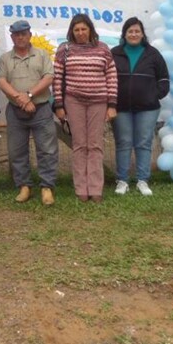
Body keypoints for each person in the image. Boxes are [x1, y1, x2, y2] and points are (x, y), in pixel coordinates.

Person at [53, 14, 118, 203]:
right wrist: (59, 105)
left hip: (99, 101)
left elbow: (112, 77)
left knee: (95, 145)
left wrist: (112, 105)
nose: (80, 33)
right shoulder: (64, 49)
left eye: (84, 29)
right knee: (80, 146)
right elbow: (57, 79)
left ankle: (96, 188)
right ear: (71, 32)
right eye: (76, 29)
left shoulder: (103, 49)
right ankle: (81, 188)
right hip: (74, 101)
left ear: (90, 29)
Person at [0, 20, 59, 206]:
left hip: (41, 108)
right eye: (16, 34)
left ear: (30, 35)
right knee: (17, 151)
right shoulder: (5, 58)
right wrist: (21, 99)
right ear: (12, 37)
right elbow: (2, 81)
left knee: (47, 150)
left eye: (23, 33)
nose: (20, 37)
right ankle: (24, 186)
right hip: (16, 110)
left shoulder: (42, 55)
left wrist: (30, 95)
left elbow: (49, 77)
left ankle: (46, 187)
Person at [111, 17, 170, 197]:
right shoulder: (114, 53)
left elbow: (164, 79)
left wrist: (154, 95)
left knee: (144, 143)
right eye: (130, 31)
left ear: (143, 34)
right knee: (123, 143)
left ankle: (142, 180)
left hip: (148, 108)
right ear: (124, 34)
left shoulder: (153, 54)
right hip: (120, 107)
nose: (134, 34)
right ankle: (122, 181)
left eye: (137, 31)